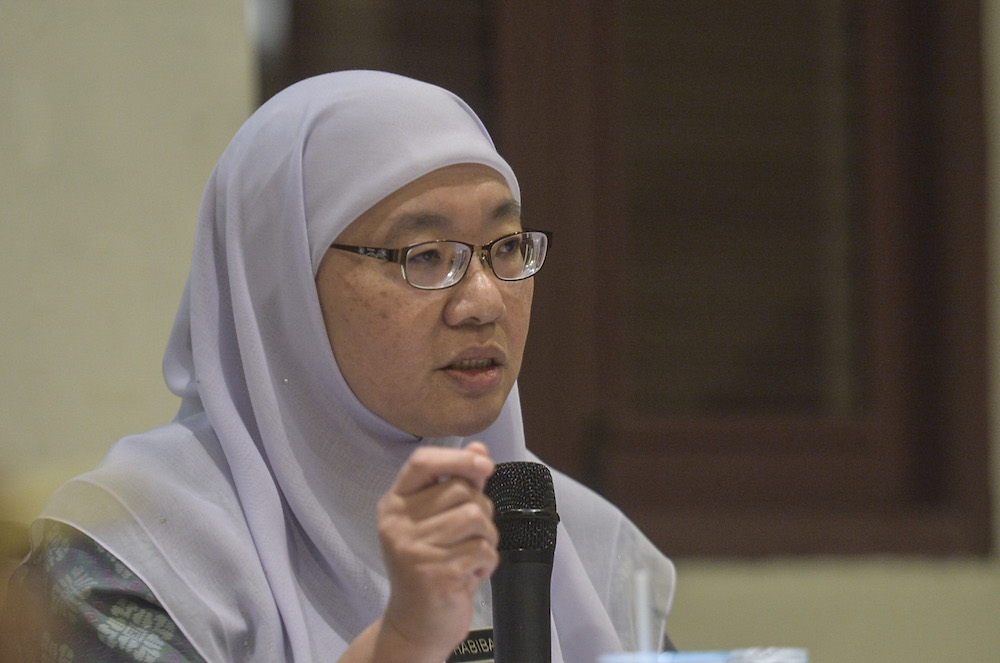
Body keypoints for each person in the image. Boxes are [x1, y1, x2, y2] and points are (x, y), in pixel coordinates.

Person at [4, 70, 675, 663]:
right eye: (426, 255)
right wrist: (401, 641)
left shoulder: (573, 542)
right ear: (284, 285)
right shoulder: (138, 552)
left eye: (504, 247)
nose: (483, 300)